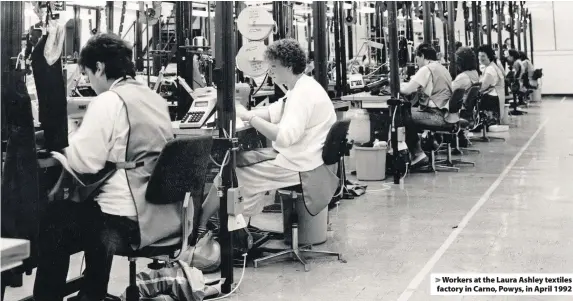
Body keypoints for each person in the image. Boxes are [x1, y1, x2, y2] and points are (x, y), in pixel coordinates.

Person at [33, 33, 176, 301]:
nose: (89, 81)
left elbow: (86, 161)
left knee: (54, 222)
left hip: (125, 221)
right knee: (90, 207)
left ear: (99, 67)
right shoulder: (153, 97)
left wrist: (61, 149)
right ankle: (91, 292)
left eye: (87, 74)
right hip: (162, 215)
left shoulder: (109, 100)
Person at [198, 39, 337, 229]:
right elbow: (273, 112)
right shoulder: (303, 86)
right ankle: (239, 226)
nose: (269, 71)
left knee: (232, 172)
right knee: (238, 163)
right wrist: (241, 110)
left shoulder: (302, 95)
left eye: (273, 66)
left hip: (301, 164)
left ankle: (201, 224)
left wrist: (250, 118)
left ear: (288, 66)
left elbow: (284, 137)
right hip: (305, 158)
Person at [399, 43, 453, 168]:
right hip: (446, 114)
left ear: (422, 56)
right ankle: (426, 146)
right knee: (409, 111)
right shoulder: (442, 68)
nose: (416, 62)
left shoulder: (426, 69)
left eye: (416, 58)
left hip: (436, 116)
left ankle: (417, 153)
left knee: (401, 114)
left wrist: (394, 86)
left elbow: (407, 90)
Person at [452, 47, 480, 145]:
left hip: (459, 111)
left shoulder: (463, 77)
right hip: (469, 111)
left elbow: (449, 91)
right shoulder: (475, 73)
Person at [477, 44, 505, 124]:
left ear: (489, 56)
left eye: (483, 56)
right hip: (497, 96)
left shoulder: (490, 69)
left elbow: (483, 87)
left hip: (491, 98)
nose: (480, 58)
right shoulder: (492, 65)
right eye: (479, 56)